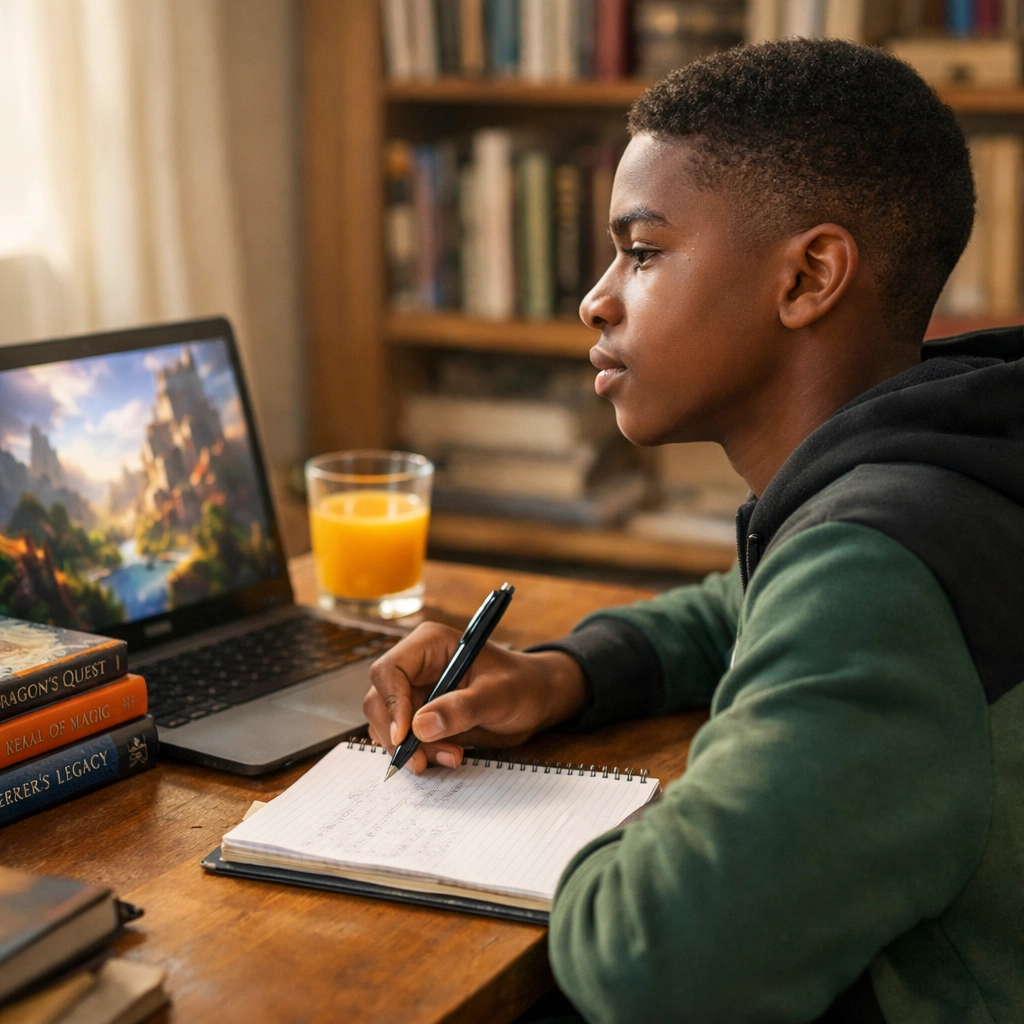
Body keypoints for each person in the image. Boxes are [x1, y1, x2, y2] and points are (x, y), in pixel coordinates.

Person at [365, 38, 1024, 1024]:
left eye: (641, 250)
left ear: (807, 278)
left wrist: (579, 828)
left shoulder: (873, 573)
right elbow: (748, 604)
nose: (595, 297)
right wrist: (568, 672)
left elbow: (656, 962)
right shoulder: (945, 460)